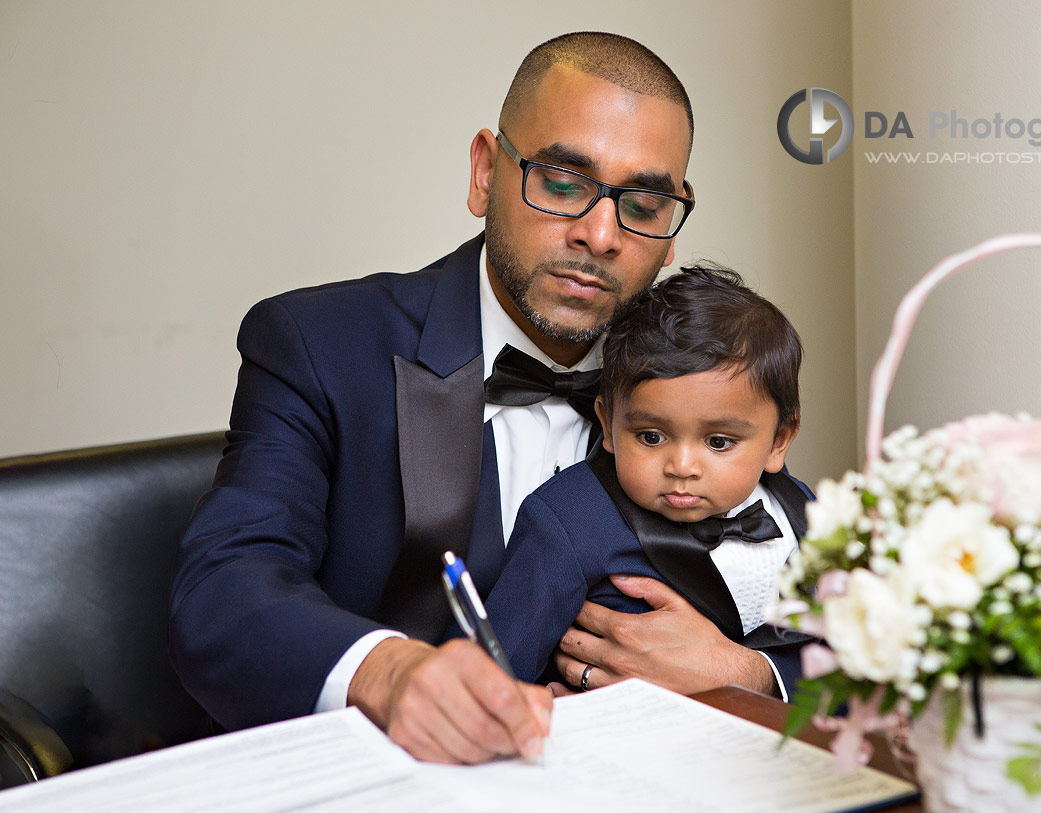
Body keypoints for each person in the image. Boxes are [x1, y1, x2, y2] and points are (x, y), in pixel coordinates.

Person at [169, 31, 793, 767]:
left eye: (644, 204)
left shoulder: (711, 371)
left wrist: (752, 674)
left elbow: (793, 579)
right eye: (562, 182)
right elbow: (222, 592)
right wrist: (391, 671)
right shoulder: (315, 342)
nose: (599, 234)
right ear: (484, 173)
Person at [481, 266, 814, 697]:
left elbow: (842, 665)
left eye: (718, 441)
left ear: (778, 442)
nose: (681, 465)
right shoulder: (568, 520)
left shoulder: (805, 512)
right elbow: (499, 666)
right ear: (609, 423)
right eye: (651, 436)